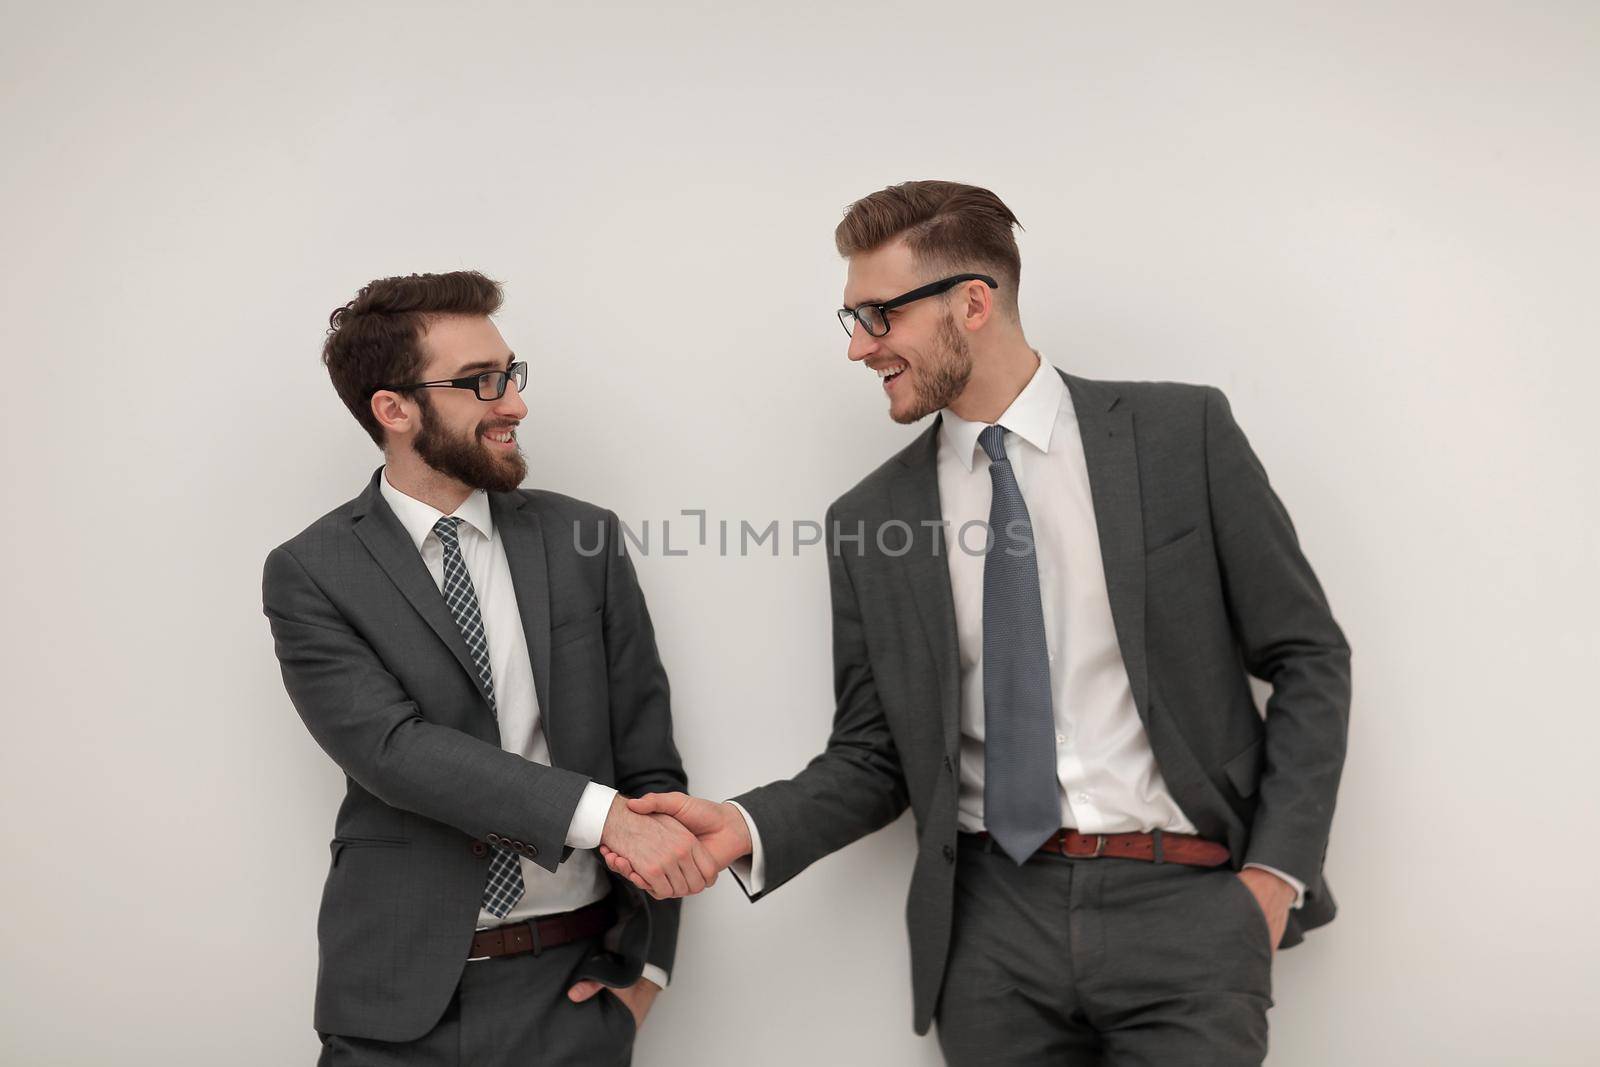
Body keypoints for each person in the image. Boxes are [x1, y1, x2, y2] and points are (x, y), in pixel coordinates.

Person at [605, 182, 1351, 1065]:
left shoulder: (1179, 433)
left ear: (973, 302)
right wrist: (746, 822)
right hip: (992, 924)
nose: (858, 348)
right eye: (850, 318)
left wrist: (1273, 876)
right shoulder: (868, 518)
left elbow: (1307, 654)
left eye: (878, 316)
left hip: (1187, 900)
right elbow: (874, 755)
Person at [262, 270, 715, 1064]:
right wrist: (600, 815)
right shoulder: (312, 571)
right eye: (481, 383)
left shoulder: (585, 540)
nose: (514, 402)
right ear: (394, 409)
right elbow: (395, 751)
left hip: (573, 991)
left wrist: (646, 971)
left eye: (510, 373)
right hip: (397, 1006)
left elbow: (649, 763)